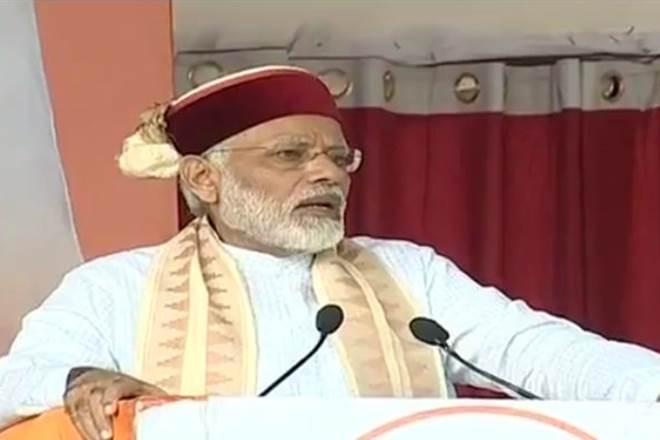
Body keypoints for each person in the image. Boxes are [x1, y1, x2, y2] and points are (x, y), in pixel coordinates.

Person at [1, 65, 659, 440]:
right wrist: (78, 382)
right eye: (292, 155)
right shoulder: (118, 287)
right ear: (204, 179)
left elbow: (546, 353)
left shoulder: (408, 273)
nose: (327, 174)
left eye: (339, 158)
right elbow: (14, 382)